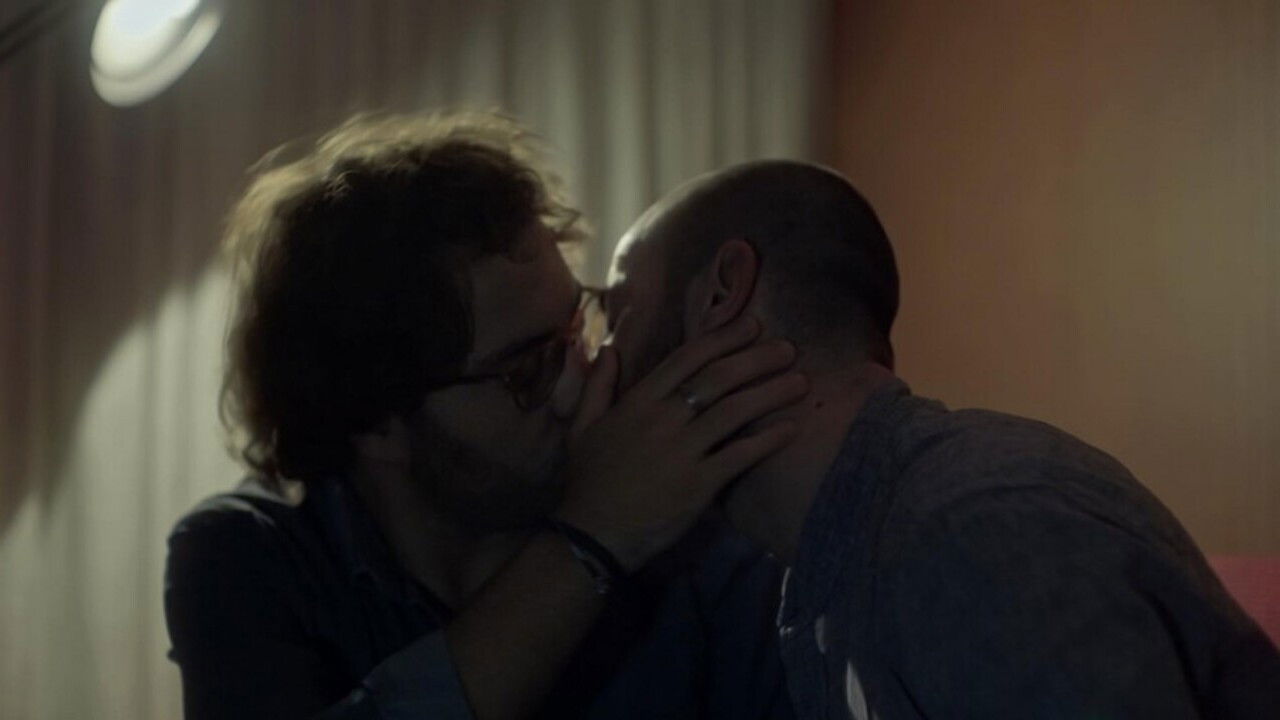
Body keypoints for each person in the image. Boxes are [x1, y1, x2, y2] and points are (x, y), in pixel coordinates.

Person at [163, 113, 806, 719]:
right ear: (377, 421)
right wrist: (591, 542)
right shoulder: (251, 556)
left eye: (577, 328)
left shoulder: (689, 543)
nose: (578, 386)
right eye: (527, 370)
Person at [602, 159, 1280, 719]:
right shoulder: (839, 563)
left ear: (722, 294)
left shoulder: (971, 532)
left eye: (617, 312)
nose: (599, 363)